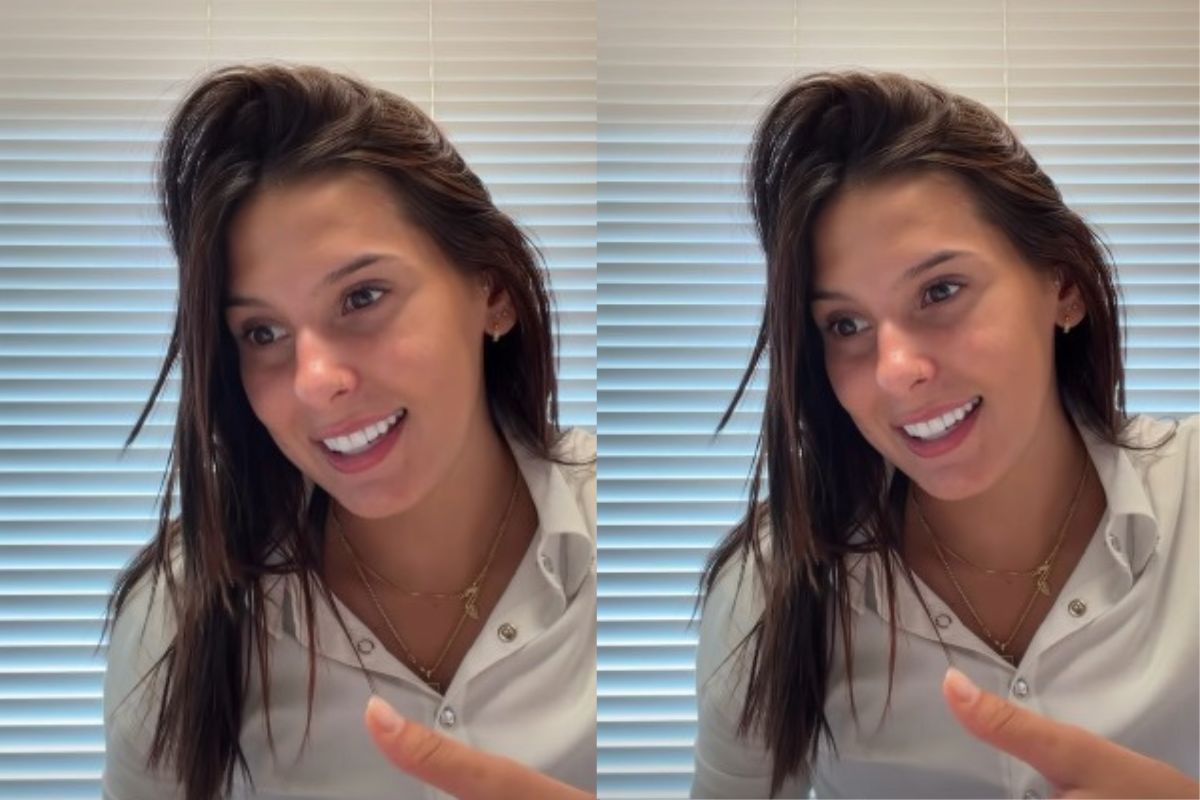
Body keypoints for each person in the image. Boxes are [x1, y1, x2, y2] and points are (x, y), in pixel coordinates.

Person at [691, 71, 1198, 799]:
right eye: (846, 324)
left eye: (940, 291)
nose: (895, 371)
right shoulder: (770, 589)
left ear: (1062, 285)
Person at [101, 64, 596, 800]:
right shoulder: (179, 615)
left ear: (492, 290)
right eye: (262, 331)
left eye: (362, 296)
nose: (314, 381)